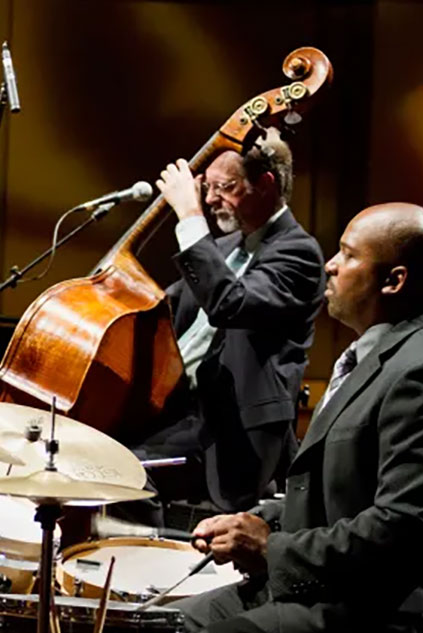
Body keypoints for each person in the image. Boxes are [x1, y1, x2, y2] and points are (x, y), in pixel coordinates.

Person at [99, 202, 423, 633]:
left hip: (388, 617)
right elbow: (338, 489)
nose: (329, 265)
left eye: (348, 255)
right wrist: (264, 516)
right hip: (337, 591)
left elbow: (403, 526)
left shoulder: (417, 369)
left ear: (394, 280)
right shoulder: (377, 353)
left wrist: (269, 549)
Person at [135, 133, 324, 513]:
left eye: (225, 187)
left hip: (234, 427)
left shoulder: (298, 253)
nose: (208, 200)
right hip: (181, 412)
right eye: (207, 188)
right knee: (106, 465)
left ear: (265, 184)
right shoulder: (221, 248)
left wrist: (189, 218)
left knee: (133, 477)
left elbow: (229, 304)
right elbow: (163, 308)